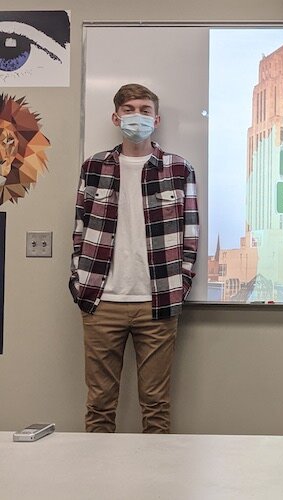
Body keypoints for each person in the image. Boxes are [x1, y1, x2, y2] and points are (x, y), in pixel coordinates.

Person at [69, 83, 199, 433]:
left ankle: (153, 488)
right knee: (99, 405)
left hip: (157, 301)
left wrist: (180, 285)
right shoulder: (93, 167)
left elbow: (191, 235)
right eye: (129, 109)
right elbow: (79, 229)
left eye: (144, 110)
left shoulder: (178, 169)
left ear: (156, 119)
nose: (136, 116)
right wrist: (79, 283)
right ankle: (98, 485)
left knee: (156, 407)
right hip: (101, 302)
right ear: (116, 117)